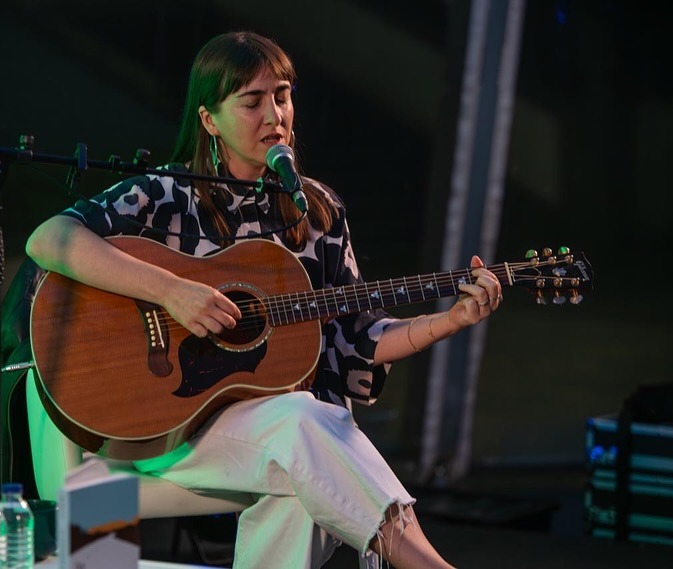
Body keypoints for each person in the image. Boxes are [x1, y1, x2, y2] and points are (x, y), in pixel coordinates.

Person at [26, 31, 502, 569]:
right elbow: (49, 239)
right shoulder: (168, 195)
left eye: (283, 95)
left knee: (306, 459)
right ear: (209, 119)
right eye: (252, 102)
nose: (274, 114)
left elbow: (354, 339)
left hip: (260, 436)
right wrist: (172, 292)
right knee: (305, 425)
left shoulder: (317, 210)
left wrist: (450, 319)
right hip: (160, 430)